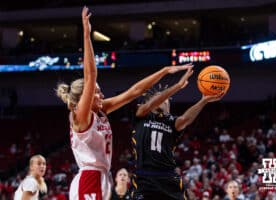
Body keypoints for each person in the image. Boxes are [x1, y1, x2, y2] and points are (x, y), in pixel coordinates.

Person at [56, 7, 192, 200]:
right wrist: (86, 34)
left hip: (102, 177)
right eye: (96, 92)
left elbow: (134, 92)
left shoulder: (101, 110)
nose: (101, 93)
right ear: (83, 98)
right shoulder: (80, 116)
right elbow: (91, 76)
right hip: (89, 178)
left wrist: (163, 71)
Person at [131, 67, 224, 200]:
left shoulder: (171, 122)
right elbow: (150, 105)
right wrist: (178, 86)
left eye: (167, 100)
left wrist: (203, 101)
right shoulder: (142, 114)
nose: (165, 100)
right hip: (144, 177)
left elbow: (185, 119)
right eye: (162, 98)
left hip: (168, 177)